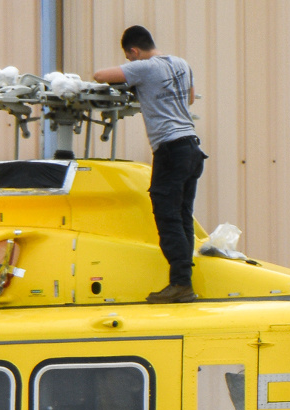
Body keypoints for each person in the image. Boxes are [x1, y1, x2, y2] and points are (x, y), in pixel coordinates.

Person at [95, 26, 205, 304]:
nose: (131, 63)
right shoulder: (181, 63)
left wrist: (137, 80)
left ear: (134, 51)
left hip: (170, 150)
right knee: (182, 216)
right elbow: (189, 98)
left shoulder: (144, 67)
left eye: (130, 58)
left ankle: (180, 284)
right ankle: (184, 281)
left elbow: (100, 76)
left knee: (167, 216)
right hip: (192, 147)